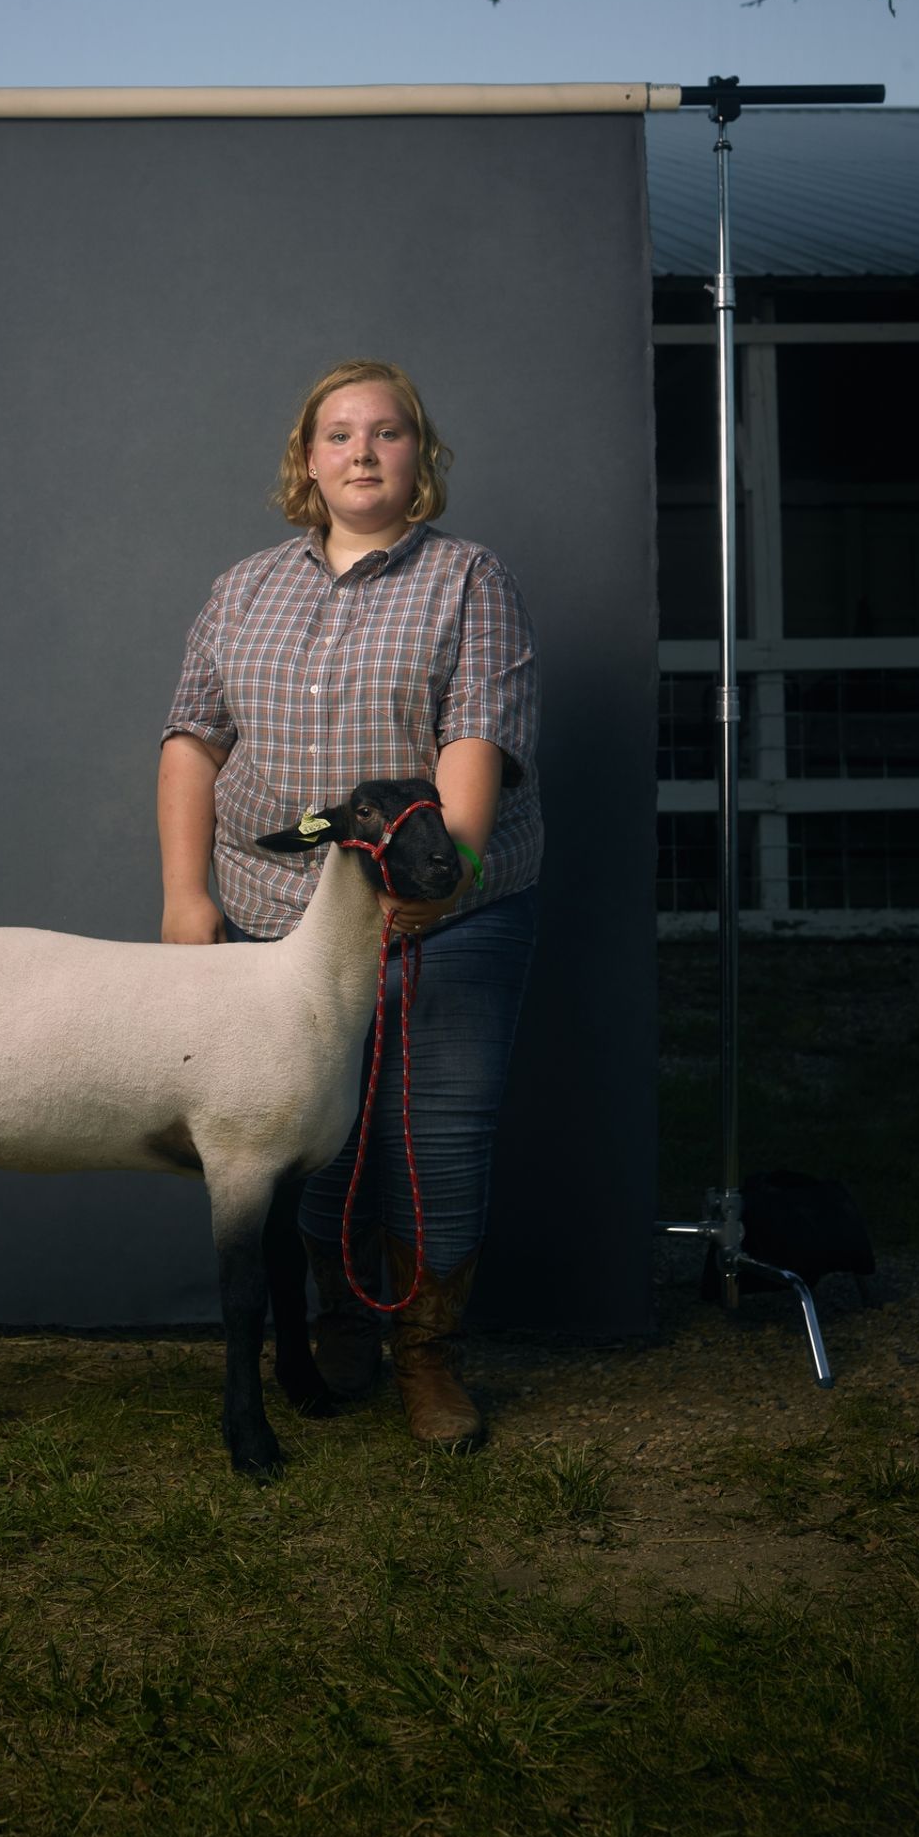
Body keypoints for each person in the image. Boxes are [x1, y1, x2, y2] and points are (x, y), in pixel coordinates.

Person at [158, 358, 541, 1448]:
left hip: (447, 912)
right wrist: (188, 897)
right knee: (306, 1135)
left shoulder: (468, 579)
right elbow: (192, 740)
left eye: (386, 433)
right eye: (338, 435)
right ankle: (338, 1322)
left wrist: (444, 875)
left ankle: (427, 1354)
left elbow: (478, 734)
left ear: (420, 458)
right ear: (306, 461)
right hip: (280, 907)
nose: (361, 452)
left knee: (437, 1136)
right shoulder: (243, 588)